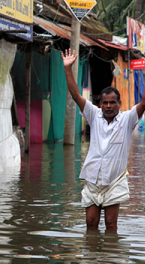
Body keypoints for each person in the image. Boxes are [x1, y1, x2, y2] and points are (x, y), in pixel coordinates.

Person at [62, 48, 145, 231]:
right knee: (90, 223)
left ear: (119, 104)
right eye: (105, 102)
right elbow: (76, 95)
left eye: (112, 102)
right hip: (93, 179)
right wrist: (68, 68)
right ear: (100, 103)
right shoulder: (94, 114)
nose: (108, 106)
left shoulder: (127, 119)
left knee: (110, 224)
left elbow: (144, 103)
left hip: (114, 180)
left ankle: (109, 257)